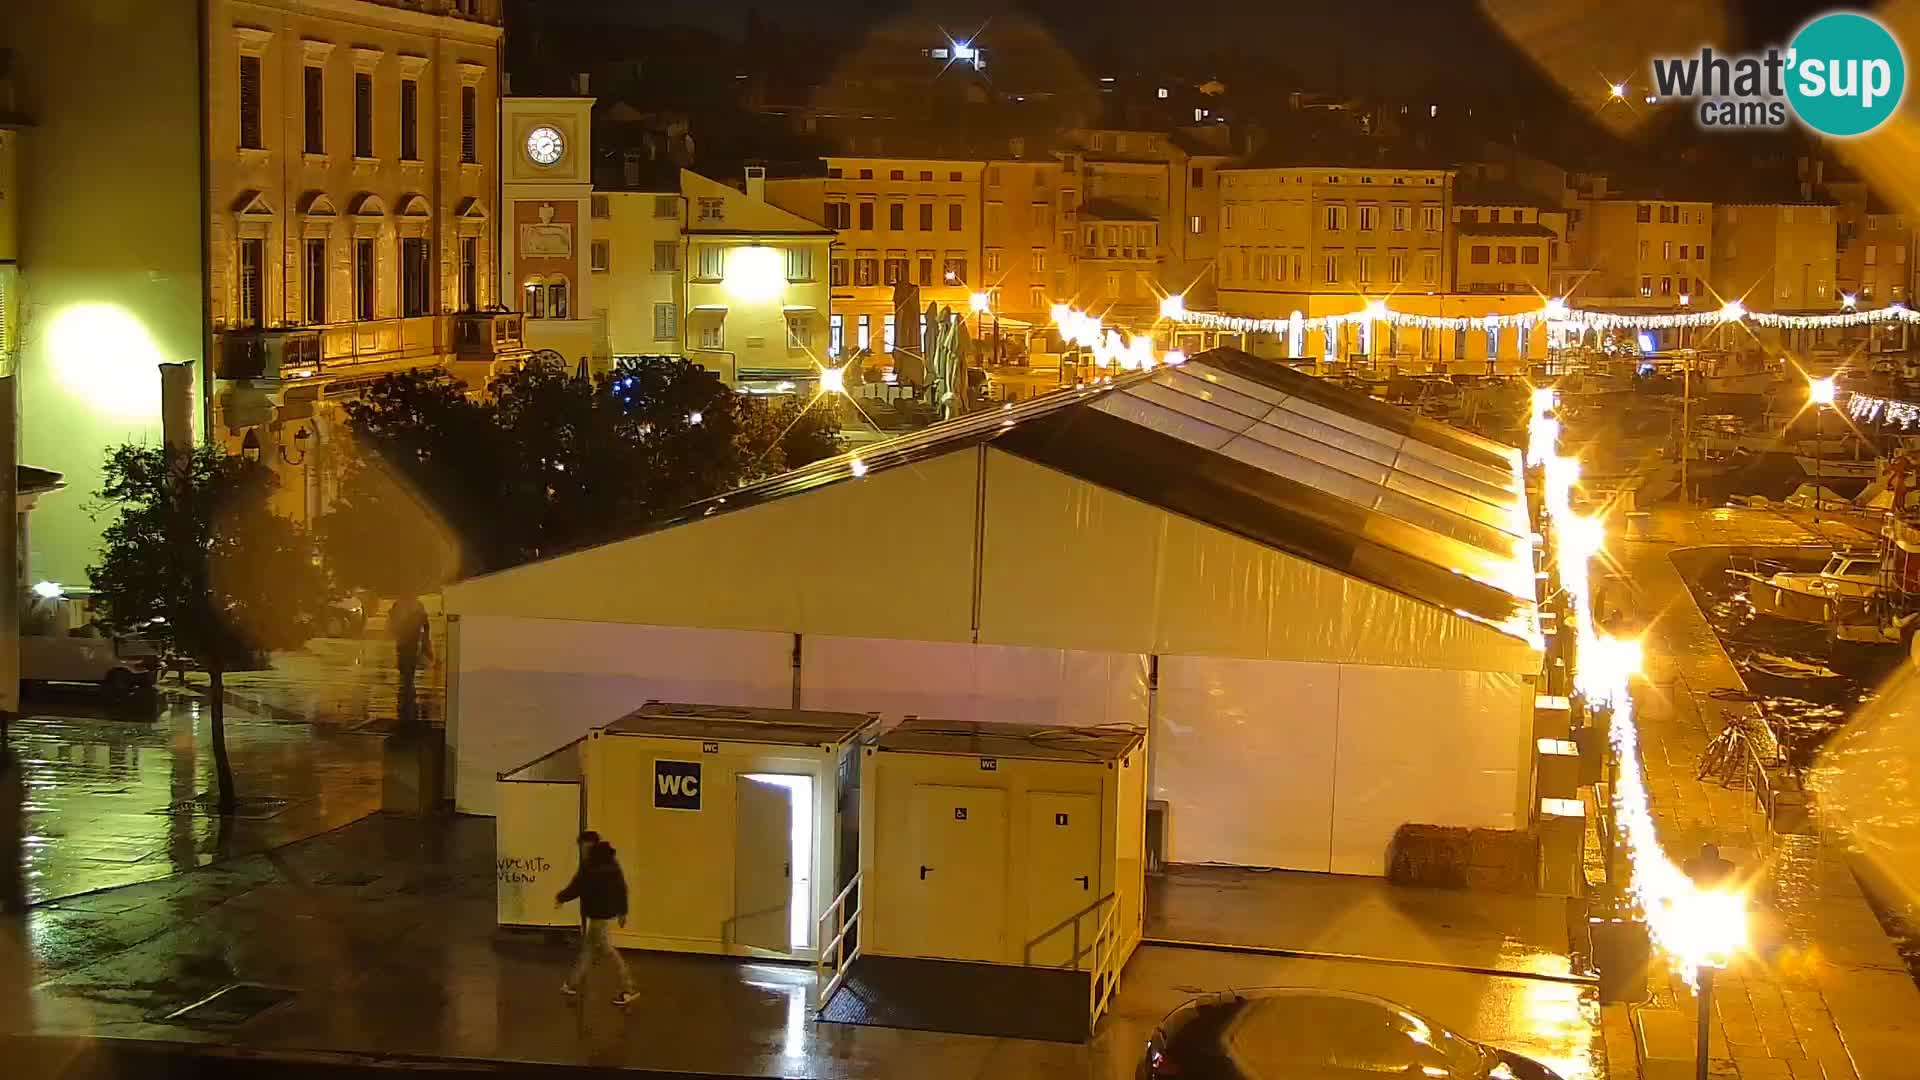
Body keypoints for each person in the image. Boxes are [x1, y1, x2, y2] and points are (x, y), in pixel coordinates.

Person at [556, 838, 637, 1005]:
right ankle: (571, 984)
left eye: (583, 846)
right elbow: (621, 889)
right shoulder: (610, 863)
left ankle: (629, 988)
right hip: (601, 914)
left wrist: (561, 897)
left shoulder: (589, 867)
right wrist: (622, 912)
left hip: (597, 915)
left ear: (590, 846)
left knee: (607, 950)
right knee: (588, 950)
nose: (582, 850)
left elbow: (577, 887)